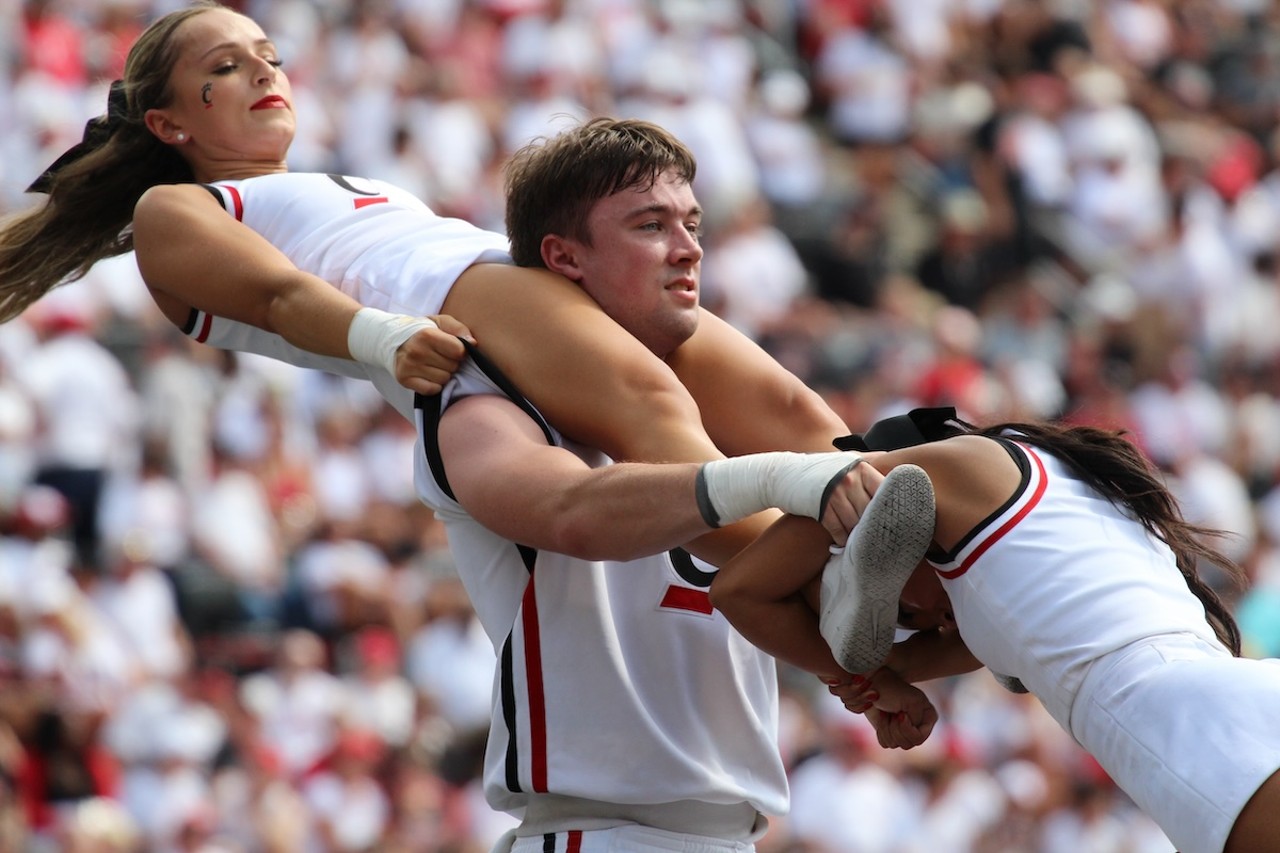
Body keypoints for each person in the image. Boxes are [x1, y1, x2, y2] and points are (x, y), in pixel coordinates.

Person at [719, 405, 1280, 853]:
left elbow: (737, 590)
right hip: (1241, 696)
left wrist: (859, 675)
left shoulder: (936, 476)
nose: (933, 623)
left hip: (1183, 726)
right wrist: (882, 680)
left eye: (904, 612)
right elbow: (956, 647)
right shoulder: (1057, 486)